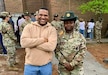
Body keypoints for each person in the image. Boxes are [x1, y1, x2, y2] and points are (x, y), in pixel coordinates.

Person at [20, 7, 57, 75]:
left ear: (48, 17)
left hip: (46, 66)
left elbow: (51, 47)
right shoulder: (29, 27)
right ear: (37, 15)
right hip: (30, 65)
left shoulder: (52, 29)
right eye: (41, 14)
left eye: (45, 15)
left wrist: (32, 44)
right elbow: (23, 43)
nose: (43, 17)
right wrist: (42, 40)